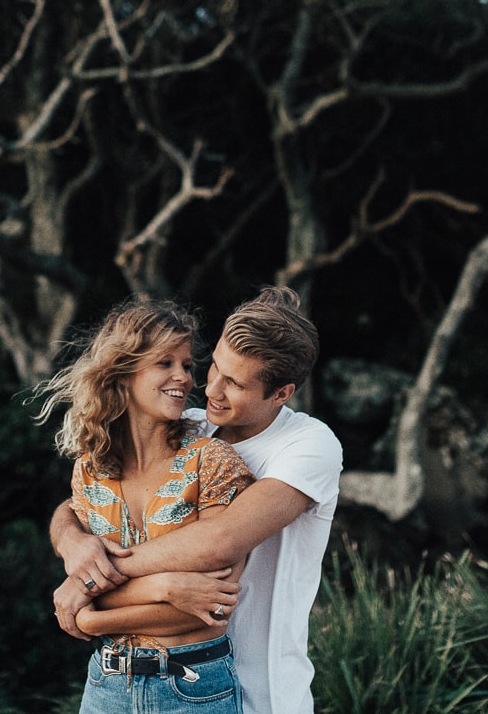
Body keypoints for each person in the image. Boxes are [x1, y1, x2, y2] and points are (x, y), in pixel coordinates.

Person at [50, 286, 344, 714]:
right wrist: (73, 543)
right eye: (215, 368)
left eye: (235, 383)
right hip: (120, 679)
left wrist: (90, 583)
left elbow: (219, 542)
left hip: (257, 692)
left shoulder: (309, 446)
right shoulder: (186, 426)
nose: (211, 391)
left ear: (281, 394)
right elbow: (75, 506)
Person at [35, 297, 255, 712]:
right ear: (122, 373)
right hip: (105, 688)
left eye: (187, 365)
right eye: (165, 363)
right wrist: (165, 588)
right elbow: (80, 568)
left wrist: (91, 618)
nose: (184, 377)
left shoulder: (212, 462)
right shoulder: (90, 471)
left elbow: (212, 606)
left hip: (193, 689)